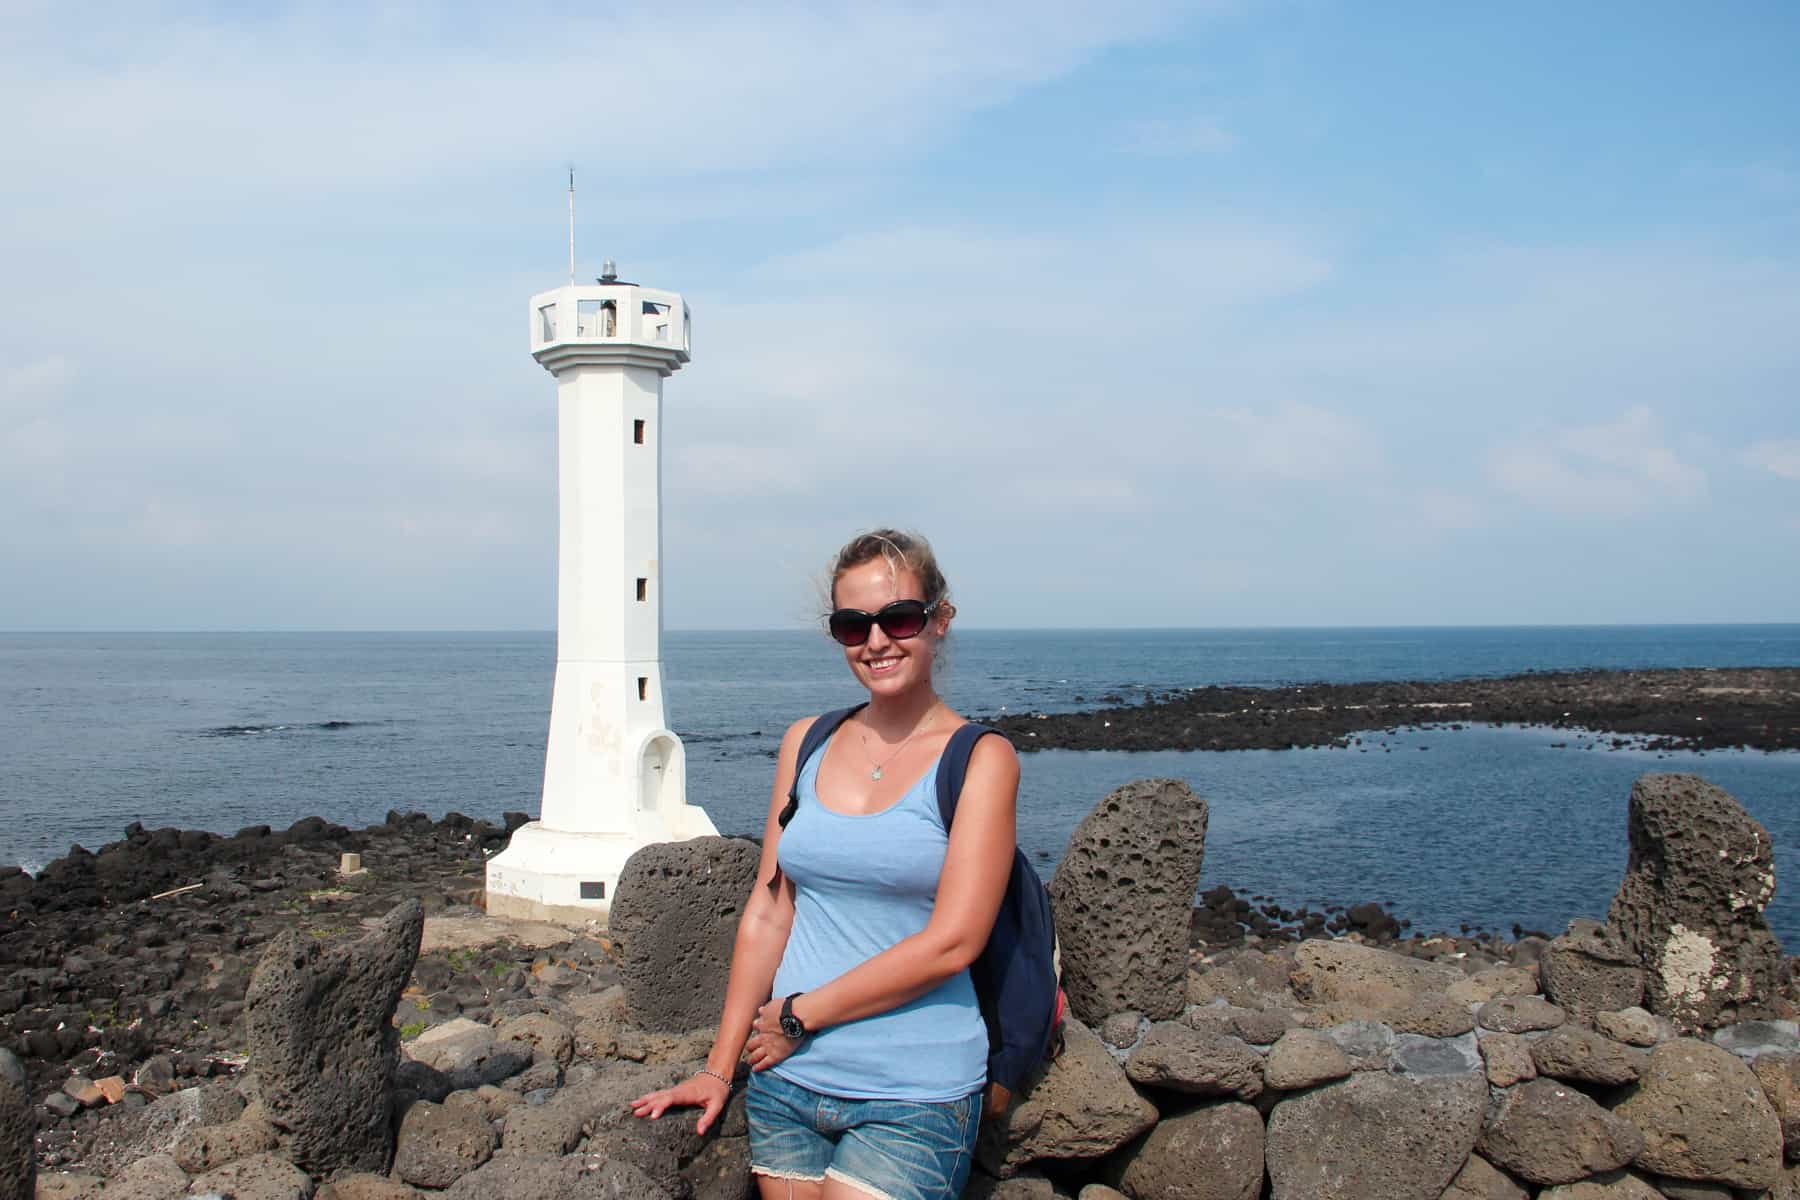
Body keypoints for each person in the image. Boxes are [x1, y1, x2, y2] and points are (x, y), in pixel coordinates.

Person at [631, 529, 1019, 1200]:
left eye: (899, 618)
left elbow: (953, 941)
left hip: (911, 1091)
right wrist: (721, 1070)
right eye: (852, 625)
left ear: (940, 620)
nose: (877, 641)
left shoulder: (980, 759)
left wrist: (799, 1015)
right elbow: (768, 909)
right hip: (787, 1085)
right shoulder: (806, 743)